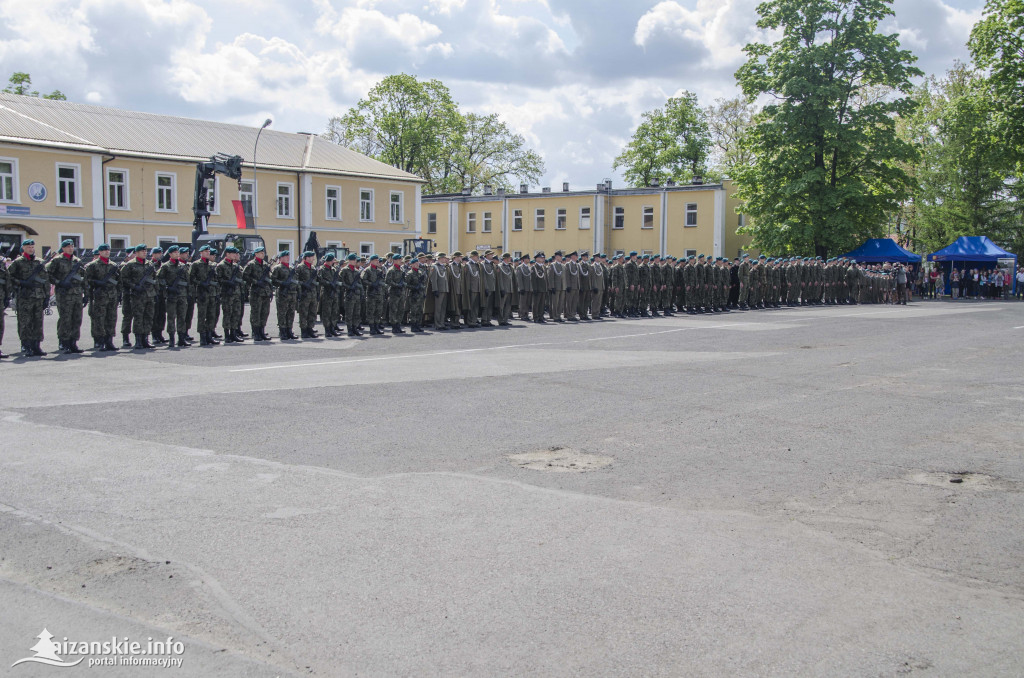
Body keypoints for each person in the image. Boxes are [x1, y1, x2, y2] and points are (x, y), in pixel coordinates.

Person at [7, 239, 50, 356]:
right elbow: (9, 277)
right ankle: (25, 345)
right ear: (23, 248)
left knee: (38, 321)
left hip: (38, 296)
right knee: (25, 322)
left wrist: (46, 297)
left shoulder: (40, 262)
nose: (31, 249)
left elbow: (45, 280)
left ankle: (36, 345)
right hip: (25, 297)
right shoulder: (18, 262)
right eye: (28, 247)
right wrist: (21, 282)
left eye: (32, 247)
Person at [45, 238, 86, 354]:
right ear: (63, 248)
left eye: (72, 246)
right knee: (65, 319)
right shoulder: (56, 261)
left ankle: (73, 342)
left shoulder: (77, 261)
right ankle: (64, 341)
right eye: (68, 246)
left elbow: (84, 277)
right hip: (63, 294)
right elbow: (47, 273)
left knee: (77, 318)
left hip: (77, 294)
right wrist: (58, 282)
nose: (71, 248)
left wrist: (85, 293)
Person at [120, 244, 158, 350]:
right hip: (137, 295)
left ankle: (146, 338)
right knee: (138, 317)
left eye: (145, 251)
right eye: (142, 251)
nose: (144, 253)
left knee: (148, 317)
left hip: (149, 295)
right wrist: (134, 286)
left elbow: (154, 278)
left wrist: (155, 292)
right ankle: (138, 340)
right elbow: (123, 279)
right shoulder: (130, 265)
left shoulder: (149, 264)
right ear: (136, 253)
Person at [242, 247, 274, 341]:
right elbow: (245, 276)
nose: (262, 254)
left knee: (265, 312)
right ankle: (256, 333)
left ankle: (262, 331)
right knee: (256, 313)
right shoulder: (251, 264)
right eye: (260, 253)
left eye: (263, 253)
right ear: (255, 254)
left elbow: (269, 279)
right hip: (256, 292)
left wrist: (270, 291)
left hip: (265, 292)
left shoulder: (265, 265)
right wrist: (255, 282)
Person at [271, 251, 299, 340]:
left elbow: (295, 280)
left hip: (292, 293)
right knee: (282, 313)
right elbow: (273, 280)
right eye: (285, 256)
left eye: (288, 256)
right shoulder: (277, 268)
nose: (288, 258)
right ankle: (282, 331)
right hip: (283, 293)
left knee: (291, 312)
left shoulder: (291, 269)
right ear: (281, 258)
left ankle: (289, 330)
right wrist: (282, 283)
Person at [341, 253, 365, 336]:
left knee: (356, 313)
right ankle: (350, 329)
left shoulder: (357, 271)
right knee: (349, 313)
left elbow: (360, 283)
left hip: (356, 295)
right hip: (349, 294)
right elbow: (342, 282)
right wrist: (349, 287)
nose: (355, 261)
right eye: (354, 260)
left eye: (356, 260)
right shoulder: (344, 270)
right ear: (350, 260)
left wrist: (362, 293)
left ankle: (355, 328)